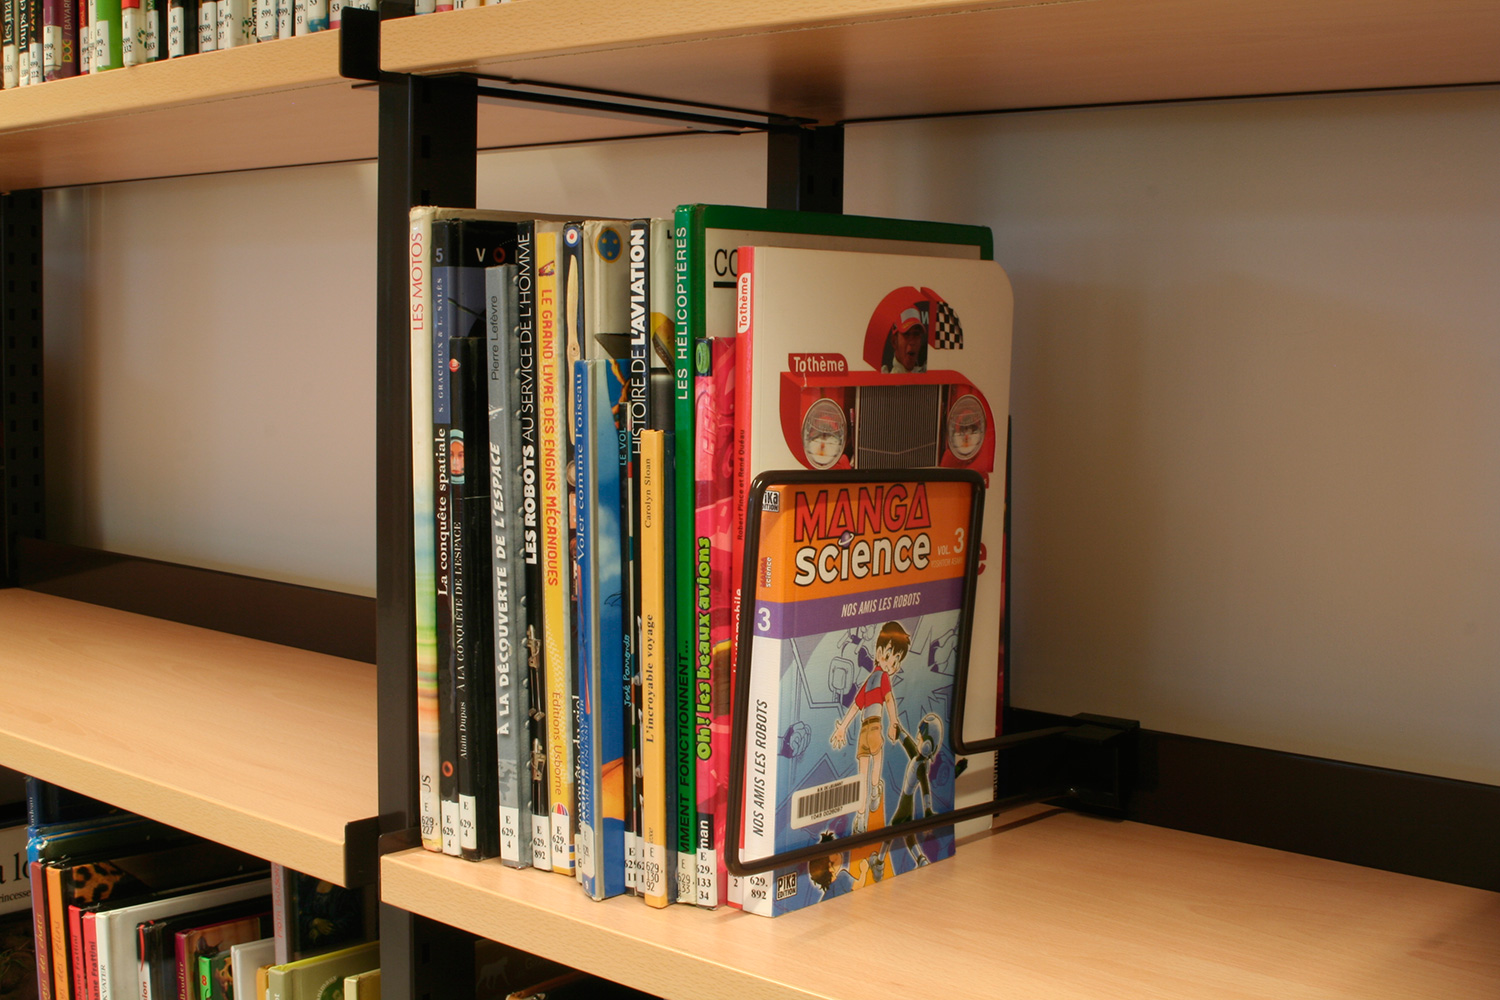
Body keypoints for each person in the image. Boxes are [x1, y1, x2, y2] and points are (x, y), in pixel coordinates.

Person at [830, 621, 910, 835]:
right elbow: (889, 700)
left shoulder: (870, 680)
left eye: (896, 661)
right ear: (879, 652)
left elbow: (856, 706)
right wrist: (893, 723)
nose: (892, 665)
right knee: (877, 760)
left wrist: (843, 727)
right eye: (889, 657)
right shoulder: (882, 677)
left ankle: (860, 816)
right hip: (873, 727)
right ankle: (875, 790)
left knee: (862, 774)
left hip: (864, 731)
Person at [881, 307, 927, 373]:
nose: (912, 342)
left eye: (916, 334)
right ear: (894, 341)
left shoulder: (929, 373)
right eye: (906, 334)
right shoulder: (883, 377)